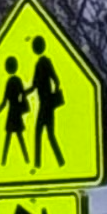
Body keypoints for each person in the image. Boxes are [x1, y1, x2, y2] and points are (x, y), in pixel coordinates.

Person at [29, 38, 70, 174]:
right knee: (48, 134)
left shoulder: (43, 63)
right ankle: (59, 161)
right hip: (47, 104)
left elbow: (40, 83)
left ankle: (39, 163)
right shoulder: (43, 62)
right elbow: (54, 80)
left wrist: (49, 94)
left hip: (45, 104)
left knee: (40, 133)